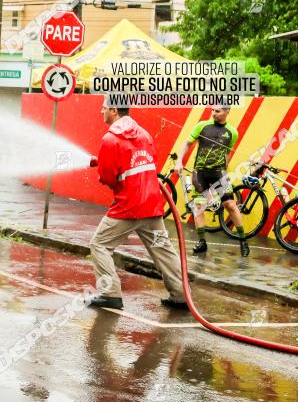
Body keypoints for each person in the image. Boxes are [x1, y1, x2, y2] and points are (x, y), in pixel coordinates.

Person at [89, 102, 187, 310]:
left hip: (127, 208)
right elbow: (141, 162)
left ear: (114, 110)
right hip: (152, 205)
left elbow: (108, 177)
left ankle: (110, 293)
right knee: (163, 248)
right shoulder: (143, 134)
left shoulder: (110, 138)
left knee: (99, 245)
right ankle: (180, 294)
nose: (101, 110)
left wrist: (107, 166)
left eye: (104, 107)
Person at [175, 107, 249, 256]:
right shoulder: (202, 126)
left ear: (227, 112)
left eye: (218, 111)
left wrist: (224, 169)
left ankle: (243, 240)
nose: (213, 113)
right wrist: (179, 161)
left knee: (230, 205)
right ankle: (202, 242)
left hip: (219, 173)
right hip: (200, 172)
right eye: (212, 110)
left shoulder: (232, 132)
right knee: (199, 206)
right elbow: (187, 143)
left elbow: (227, 152)